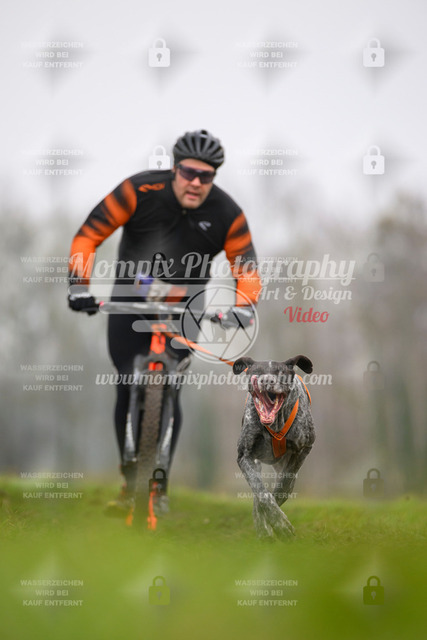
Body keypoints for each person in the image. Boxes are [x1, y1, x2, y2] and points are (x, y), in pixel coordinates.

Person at [68, 129, 262, 512]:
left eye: (206, 176)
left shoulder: (227, 213)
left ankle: (159, 485)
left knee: (172, 386)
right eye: (189, 172)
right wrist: (79, 286)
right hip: (131, 297)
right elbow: (88, 236)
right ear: (174, 168)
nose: (196, 182)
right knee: (126, 382)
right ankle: (130, 484)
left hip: (186, 305)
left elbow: (247, 268)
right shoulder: (138, 191)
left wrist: (244, 305)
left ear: (214, 177)